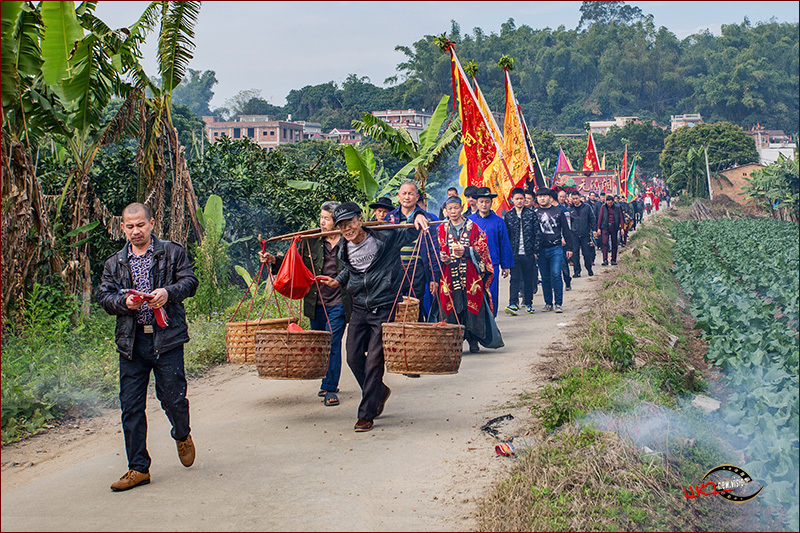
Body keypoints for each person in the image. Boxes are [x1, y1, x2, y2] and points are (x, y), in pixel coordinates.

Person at [98, 203, 199, 492]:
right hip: (132, 343)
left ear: (151, 223)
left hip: (166, 338)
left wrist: (168, 293)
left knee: (173, 399)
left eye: (140, 225)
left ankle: (182, 433)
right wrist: (124, 303)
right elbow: (105, 297)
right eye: (129, 226)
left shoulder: (172, 251)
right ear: (122, 228)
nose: (135, 231)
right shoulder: (114, 262)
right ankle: (138, 468)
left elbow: (190, 282)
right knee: (130, 406)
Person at [317, 202, 430, 432]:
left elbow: (410, 230)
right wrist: (337, 280)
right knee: (353, 357)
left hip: (384, 305)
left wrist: (418, 216)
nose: (347, 229)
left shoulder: (384, 238)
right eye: (341, 226)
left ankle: (366, 413)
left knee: (374, 362)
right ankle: (379, 391)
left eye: (350, 223)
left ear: (360, 220)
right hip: (359, 306)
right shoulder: (344, 248)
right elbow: (350, 269)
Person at [259, 201, 352, 406]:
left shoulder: (348, 241)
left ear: (337, 221)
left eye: (326, 218)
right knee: (317, 344)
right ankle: (324, 378)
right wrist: (273, 260)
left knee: (332, 343)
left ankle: (329, 388)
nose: (322, 222)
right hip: (315, 301)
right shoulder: (310, 241)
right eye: (321, 217)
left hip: (338, 302)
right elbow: (294, 263)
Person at [437, 196, 494, 353]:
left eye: (456, 208)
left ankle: (473, 340)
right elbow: (437, 250)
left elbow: (483, 247)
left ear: (461, 207)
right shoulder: (441, 229)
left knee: (472, 306)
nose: (453, 211)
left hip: (470, 275)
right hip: (449, 275)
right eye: (450, 209)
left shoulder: (473, 227)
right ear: (446, 211)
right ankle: (454, 343)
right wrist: (443, 257)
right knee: (452, 306)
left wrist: (468, 251)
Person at [387, 181, 440, 322]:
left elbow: (433, 249)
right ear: (398, 196)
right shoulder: (390, 219)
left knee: (416, 304)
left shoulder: (426, 219)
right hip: (395, 269)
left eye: (411, 194)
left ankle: (415, 338)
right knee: (394, 305)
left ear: (417, 197)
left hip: (417, 269)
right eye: (404, 193)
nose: (407, 197)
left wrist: (434, 277)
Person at [467, 187, 513, 317]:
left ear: (491, 203)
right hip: (473, 263)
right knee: (474, 293)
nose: (484, 204)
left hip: (492, 264)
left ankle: (491, 321)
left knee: (491, 293)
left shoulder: (498, 221)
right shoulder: (469, 221)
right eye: (481, 201)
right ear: (476, 202)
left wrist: (506, 265)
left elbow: (504, 243)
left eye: (487, 201)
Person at [533, 188, 573, 313]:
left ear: (550, 198)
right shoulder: (534, 213)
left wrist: (570, 248)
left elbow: (566, 230)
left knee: (556, 274)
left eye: (545, 196)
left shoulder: (558, 211)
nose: (542, 198)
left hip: (556, 248)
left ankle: (558, 303)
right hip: (541, 249)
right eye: (539, 196)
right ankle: (548, 303)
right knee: (545, 277)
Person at [503, 187, 538, 315]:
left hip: (528, 252)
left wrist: (535, 250)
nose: (519, 201)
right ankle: (513, 303)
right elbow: (506, 236)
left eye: (521, 199)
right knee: (515, 278)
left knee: (529, 279)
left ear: (525, 200)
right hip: (514, 253)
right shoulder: (508, 216)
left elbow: (537, 233)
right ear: (512, 200)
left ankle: (528, 302)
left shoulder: (531, 214)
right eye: (516, 199)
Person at [568, 191, 595, 277]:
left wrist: (594, 230)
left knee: (586, 254)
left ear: (580, 197)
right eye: (573, 199)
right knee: (575, 254)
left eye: (576, 198)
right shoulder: (570, 209)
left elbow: (592, 219)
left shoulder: (587, 207)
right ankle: (577, 271)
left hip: (585, 234)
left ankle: (589, 269)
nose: (575, 200)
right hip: (574, 235)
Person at [595, 194, 624, 266]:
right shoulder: (603, 207)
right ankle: (605, 260)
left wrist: (622, 228)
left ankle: (613, 259)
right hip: (605, 227)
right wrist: (598, 228)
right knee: (604, 243)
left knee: (614, 243)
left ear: (613, 202)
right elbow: (600, 217)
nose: (609, 205)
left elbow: (621, 218)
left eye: (611, 203)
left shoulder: (617, 207)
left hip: (614, 227)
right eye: (608, 203)